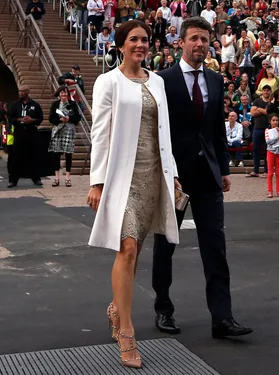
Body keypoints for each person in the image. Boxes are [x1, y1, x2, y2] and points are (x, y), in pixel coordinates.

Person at [87, 19, 181, 369]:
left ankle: (116, 307)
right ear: (120, 44)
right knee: (126, 247)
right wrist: (97, 181)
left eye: (145, 39)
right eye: (134, 39)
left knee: (137, 247)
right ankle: (126, 330)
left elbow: (165, 133)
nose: (141, 45)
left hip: (153, 175)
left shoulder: (156, 81)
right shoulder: (107, 81)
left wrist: (172, 176)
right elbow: (100, 132)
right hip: (120, 177)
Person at [152, 16, 252, 341]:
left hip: (208, 175)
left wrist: (223, 168)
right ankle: (163, 309)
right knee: (165, 244)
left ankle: (222, 318)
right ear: (180, 42)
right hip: (176, 178)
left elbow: (216, 129)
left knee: (215, 247)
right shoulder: (162, 80)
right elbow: (158, 131)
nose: (200, 44)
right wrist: (166, 171)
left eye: (205, 40)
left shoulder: (215, 79)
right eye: (194, 38)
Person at [7, 86, 44, 188]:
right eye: (19, 91)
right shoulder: (14, 105)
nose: (21, 93)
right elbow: (10, 117)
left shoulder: (35, 105)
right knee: (16, 157)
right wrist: (19, 120)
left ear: (28, 92)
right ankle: (13, 180)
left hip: (31, 133)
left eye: (23, 91)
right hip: (19, 133)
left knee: (33, 156)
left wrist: (32, 120)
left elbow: (40, 118)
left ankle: (36, 178)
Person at [49, 86, 81, 187]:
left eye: (65, 93)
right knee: (56, 154)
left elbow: (77, 117)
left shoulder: (72, 104)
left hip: (69, 131)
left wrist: (69, 118)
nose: (63, 95)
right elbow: (51, 118)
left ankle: (67, 178)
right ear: (59, 94)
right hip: (58, 131)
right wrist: (59, 120)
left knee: (68, 154)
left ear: (68, 94)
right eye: (61, 93)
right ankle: (57, 178)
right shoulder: (55, 104)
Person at [246, 84, 273, 178]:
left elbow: (267, 112)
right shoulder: (257, 101)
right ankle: (255, 170)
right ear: (262, 91)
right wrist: (263, 111)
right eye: (264, 90)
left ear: (270, 92)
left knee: (267, 150)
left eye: (267, 90)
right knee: (255, 149)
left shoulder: (271, 102)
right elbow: (252, 113)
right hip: (257, 128)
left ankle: (267, 170)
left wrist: (259, 110)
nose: (266, 92)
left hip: (268, 129)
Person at [264, 113, 279, 198]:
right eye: (273, 120)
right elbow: (268, 142)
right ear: (270, 121)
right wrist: (277, 137)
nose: (275, 122)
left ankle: (278, 190)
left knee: (278, 173)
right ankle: (270, 191)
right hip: (271, 152)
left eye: (277, 120)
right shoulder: (267, 131)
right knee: (270, 173)